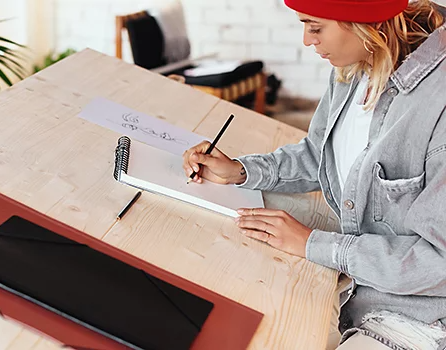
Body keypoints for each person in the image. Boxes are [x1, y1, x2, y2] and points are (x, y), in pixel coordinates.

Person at [182, 0, 446, 349]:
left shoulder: (437, 104)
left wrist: (314, 244)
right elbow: (317, 155)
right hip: (358, 282)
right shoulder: (355, 65)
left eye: (316, 27)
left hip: (417, 316)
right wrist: (240, 171)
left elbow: (437, 262)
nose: (307, 40)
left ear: (362, 21)